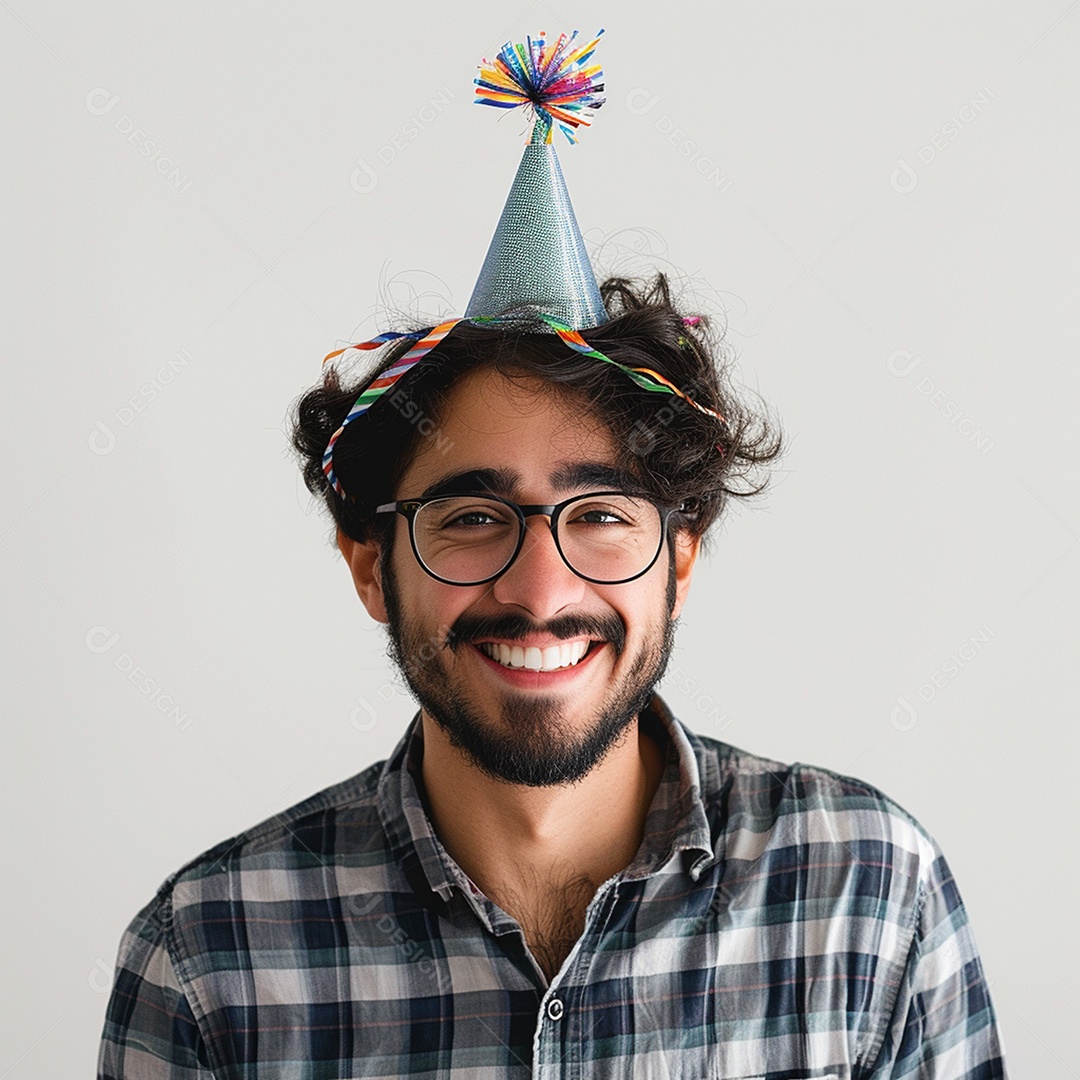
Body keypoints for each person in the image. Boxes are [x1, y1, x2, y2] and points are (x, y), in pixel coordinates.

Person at [98, 31, 1007, 1080]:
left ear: (682, 558)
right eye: (472, 518)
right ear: (368, 567)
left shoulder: (870, 900)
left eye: (602, 515)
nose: (541, 591)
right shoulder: (210, 958)